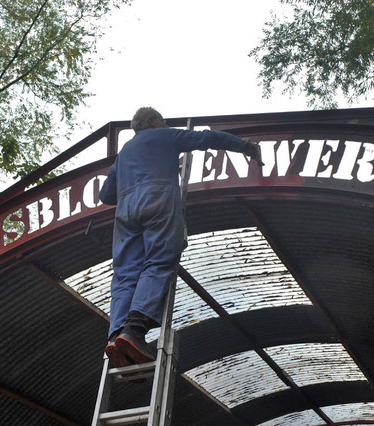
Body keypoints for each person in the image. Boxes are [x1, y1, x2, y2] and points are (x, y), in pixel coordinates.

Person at [99, 107, 261, 368]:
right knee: (159, 260)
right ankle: (135, 331)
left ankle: (117, 335)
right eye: (161, 120)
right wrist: (243, 146)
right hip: (158, 199)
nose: (164, 124)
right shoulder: (165, 136)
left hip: (126, 212)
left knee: (126, 273)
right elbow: (206, 139)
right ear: (152, 121)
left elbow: (106, 195)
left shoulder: (124, 152)